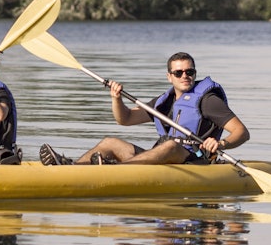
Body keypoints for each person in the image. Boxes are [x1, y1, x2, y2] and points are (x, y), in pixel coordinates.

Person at [40, 52, 249, 166]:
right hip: (164, 158)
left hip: (195, 160)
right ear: (169, 76)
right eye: (178, 73)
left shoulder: (208, 101)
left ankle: (113, 171)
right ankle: (72, 169)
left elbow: (242, 132)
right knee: (109, 142)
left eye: (189, 71)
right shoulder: (163, 102)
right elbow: (126, 119)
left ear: (195, 73)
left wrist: (220, 143)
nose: (185, 76)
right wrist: (116, 98)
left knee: (170, 146)